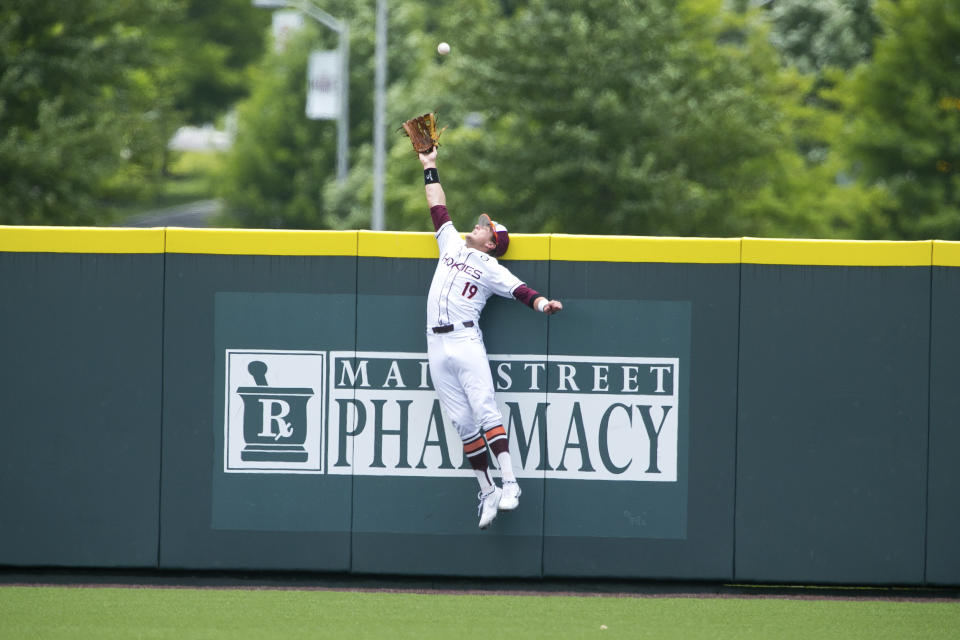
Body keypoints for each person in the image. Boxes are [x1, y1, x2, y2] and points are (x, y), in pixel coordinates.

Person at [417, 147, 563, 529]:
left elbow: (522, 291)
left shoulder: (491, 266)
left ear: (492, 241)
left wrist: (544, 304)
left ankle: (510, 482)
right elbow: (438, 207)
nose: (477, 225)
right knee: (463, 423)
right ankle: (487, 490)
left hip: (465, 341)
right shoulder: (450, 243)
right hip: (436, 343)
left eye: (485, 226)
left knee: (485, 412)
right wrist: (429, 166)